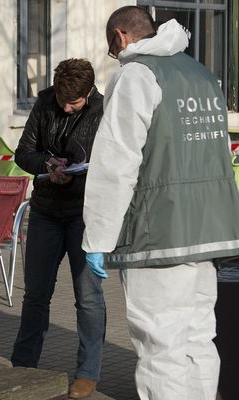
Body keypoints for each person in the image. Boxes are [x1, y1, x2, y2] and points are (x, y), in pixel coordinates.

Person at [82, 6, 239, 400]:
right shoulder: (202, 75)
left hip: (157, 236)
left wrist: (97, 239)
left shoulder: (137, 76)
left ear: (120, 37)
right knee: (199, 340)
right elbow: (219, 155)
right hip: (208, 233)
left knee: (160, 349)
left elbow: (115, 164)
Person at [11, 58, 107, 399]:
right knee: (35, 294)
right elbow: (23, 153)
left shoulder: (104, 110)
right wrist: (47, 163)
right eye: (63, 101)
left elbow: (114, 162)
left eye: (74, 102)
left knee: (88, 297)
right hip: (46, 211)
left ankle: (87, 373)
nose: (66, 107)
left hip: (85, 213)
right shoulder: (44, 102)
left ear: (89, 93)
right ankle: (23, 366)